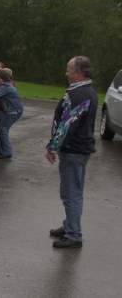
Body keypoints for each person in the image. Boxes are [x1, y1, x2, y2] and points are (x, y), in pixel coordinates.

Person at [46, 56, 98, 249]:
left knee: (71, 192)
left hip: (74, 150)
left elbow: (67, 125)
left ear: (78, 72)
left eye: (69, 69)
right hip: (76, 149)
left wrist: (53, 146)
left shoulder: (81, 94)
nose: (66, 72)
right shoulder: (82, 91)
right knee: (70, 190)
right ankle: (70, 225)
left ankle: (74, 234)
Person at [0, 68, 23, 159]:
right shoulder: (4, 85)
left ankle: (7, 152)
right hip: (7, 110)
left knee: (3, 130)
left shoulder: (6, 87)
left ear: (1, 78)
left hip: (12, 111)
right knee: (1, 129)